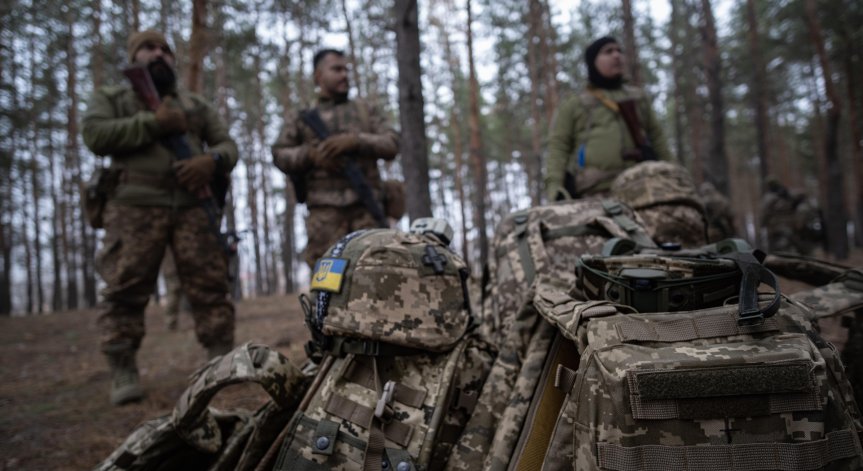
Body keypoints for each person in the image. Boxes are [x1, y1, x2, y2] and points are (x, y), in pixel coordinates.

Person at [82, 30, 239, 405]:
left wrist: (209, 161)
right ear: (133, 57)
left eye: (166, 50)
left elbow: (227, 145)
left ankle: (219, 363)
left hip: (192, 208)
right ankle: (123, 369)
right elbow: (94, 135)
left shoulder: (195, 105)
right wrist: (154, 124)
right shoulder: (113, 98)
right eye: (149, 48)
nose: (159, 54)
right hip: (133, 206)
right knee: (125, 287)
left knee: (210, 285)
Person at [272, 49, 400, 268]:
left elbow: (392, 143)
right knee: (328, 288)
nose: (344, 75)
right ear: (318, 76)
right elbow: (279, 154)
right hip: (324, 218)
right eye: (336, 69)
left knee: (376, 281)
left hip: (367, 211)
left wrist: (357, 141)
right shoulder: (302, 118)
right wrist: (311, 155)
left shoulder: (365, 111)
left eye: (346, 70)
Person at [546, 36, 672, 201]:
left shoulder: (638, 98)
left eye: (619, 50)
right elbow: (558, 147)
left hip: (644, 187)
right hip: (594, 192)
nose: (616, 55)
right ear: (593, 62)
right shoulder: (575, 104)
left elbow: (657, 138)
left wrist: (672, 173)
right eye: (608, 52)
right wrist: (555, 188)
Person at [761, 177, 824, 255]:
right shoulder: (784, 194)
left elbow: (764, 215)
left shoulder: (769, 198)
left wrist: (763, 224)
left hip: (780, 230)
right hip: (788, 229)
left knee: (783, 252)